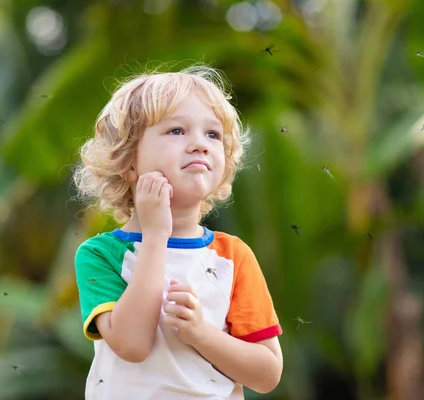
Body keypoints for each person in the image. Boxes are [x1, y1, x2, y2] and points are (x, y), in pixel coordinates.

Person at [72, 64, 283, 399]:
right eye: (176, 131)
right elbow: (132, 345)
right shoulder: (100, 255)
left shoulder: (233, 257)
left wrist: (201, 333)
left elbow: (267, 374)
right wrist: (155, 237)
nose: (200, 144)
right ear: (128, 161)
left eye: (212, 134)